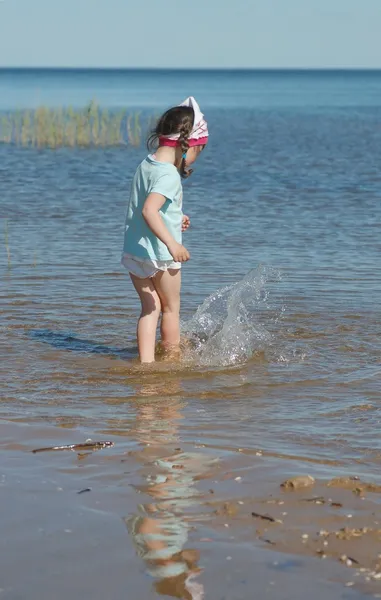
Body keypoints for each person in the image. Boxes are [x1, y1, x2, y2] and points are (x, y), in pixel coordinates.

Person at [121, 97, 209, 363]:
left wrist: (175, 217)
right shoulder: (169, 175)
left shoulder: (146, 164)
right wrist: (173, 243)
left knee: (150, 308)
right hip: (161, 254)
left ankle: (146, 365)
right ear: (188, 145)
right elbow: (149, 210)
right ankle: (172, 360)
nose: (196, 157)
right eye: (199, 151)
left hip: (135, 251)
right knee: (170, 309)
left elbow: (149, 208)